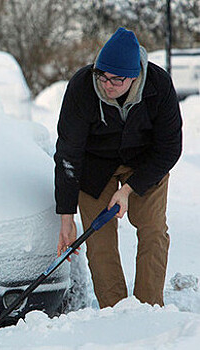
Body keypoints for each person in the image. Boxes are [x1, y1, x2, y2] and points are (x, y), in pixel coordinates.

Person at [54, 27, 182, 308]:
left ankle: (148, 309)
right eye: (102, 75)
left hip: (145, 163)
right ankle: (114, 311)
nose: (106, 84)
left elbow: (170, 148)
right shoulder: (82, 87)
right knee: (99, 240)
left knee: (152, 230)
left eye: (116, 79)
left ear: (135, 75)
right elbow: (68, 153)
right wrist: (66, 215)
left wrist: (129, 189)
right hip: (94, 167)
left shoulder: (158, 86)